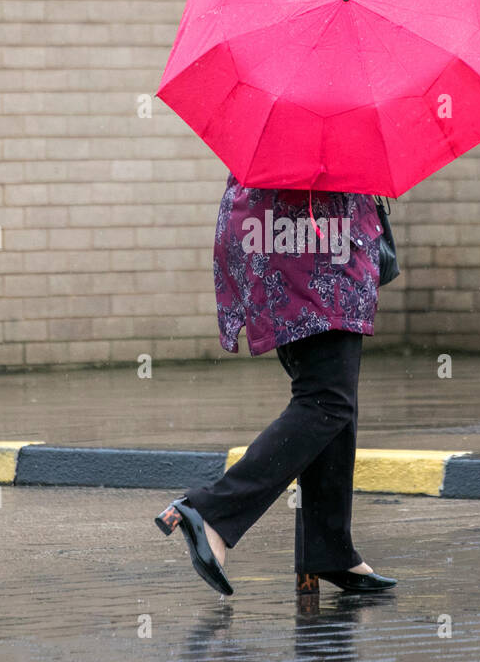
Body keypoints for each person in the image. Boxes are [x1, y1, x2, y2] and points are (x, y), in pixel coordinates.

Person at [154, 171, 398, 595]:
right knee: (326, 403)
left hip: (304, 274)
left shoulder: (286, 139)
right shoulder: (317, 135)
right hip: (320, 277)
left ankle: (329, 549)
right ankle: (211, 511)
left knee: (333, 406)